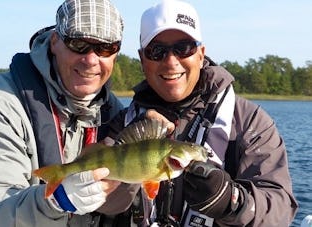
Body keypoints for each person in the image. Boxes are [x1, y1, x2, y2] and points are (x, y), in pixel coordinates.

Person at [106, 0, 298, 226]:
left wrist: (231, 202)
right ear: (142, 59)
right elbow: (100, 196)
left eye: (183, 47)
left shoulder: (249, 122)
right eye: (157, 51)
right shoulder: (124, 124)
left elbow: (281, 210)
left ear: (200, 53)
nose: (171, 61)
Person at [0, 0, 139, 226]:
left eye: (105, 48)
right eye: (78, 44)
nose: (91, 60)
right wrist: (55, 201)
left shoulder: (114, 112)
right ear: (55, 42)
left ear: (116, 53)